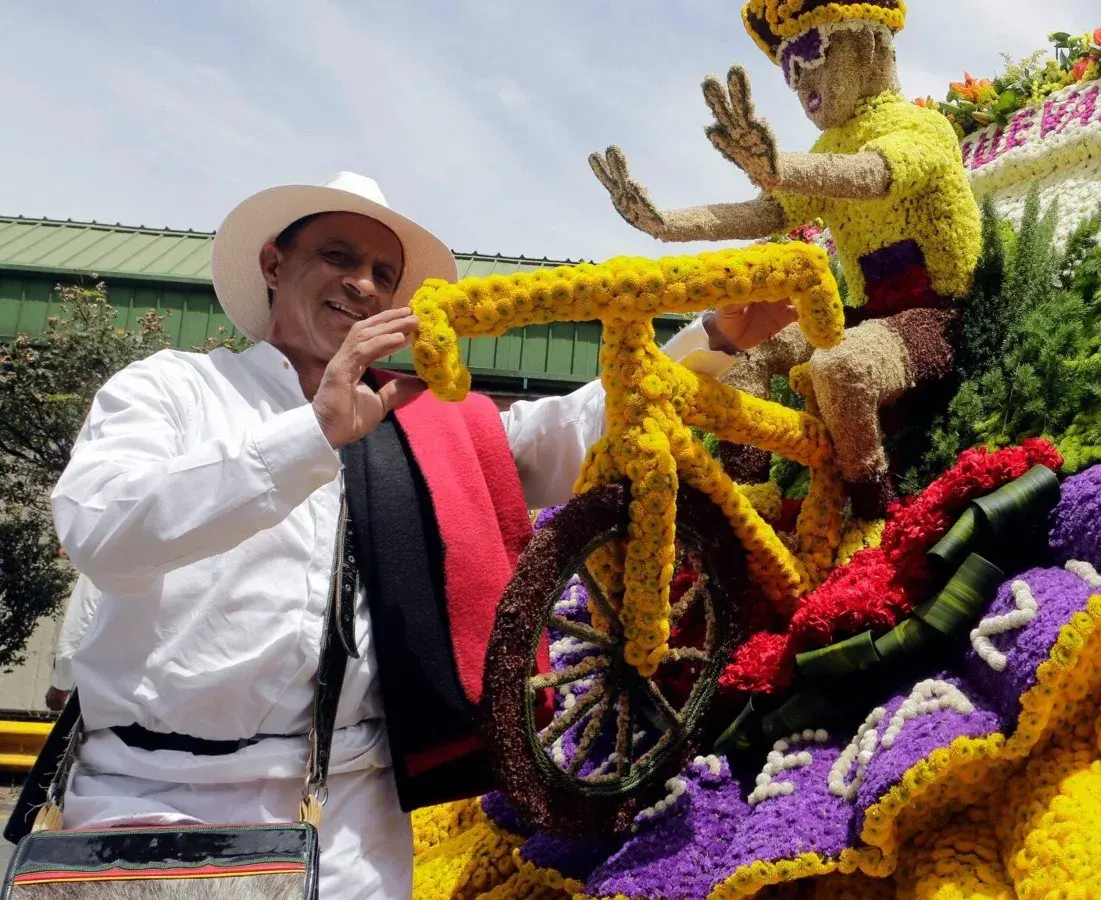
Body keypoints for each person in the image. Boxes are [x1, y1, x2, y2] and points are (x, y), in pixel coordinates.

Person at [48, 171, 795, 898]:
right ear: (274, 264)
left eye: (383, 272)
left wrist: (718, 334)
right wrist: (311, 437)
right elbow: (102, 527)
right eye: (338, 257)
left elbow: (564, 434)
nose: (364, 284)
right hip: (153, 806)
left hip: (351, 825)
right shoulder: (174, 388)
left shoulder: (415, 421)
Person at [589, 0, 980, 516]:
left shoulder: (923, 128)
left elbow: (872, 175)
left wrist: (777, 165)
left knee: (841, 367)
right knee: (743, 348)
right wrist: (664, 222)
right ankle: (746, 502)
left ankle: (875, 517)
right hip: (863, 317)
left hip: (933, 316)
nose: (802, 82)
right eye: (789, 67)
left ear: (867, 45)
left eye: (811, 53)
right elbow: (761, 214)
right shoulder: (824, 151)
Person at [44, 573, 99, 713]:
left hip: (107, 694)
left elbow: (82, 621)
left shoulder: (104, 555)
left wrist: (61, 684)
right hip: (157, 695)